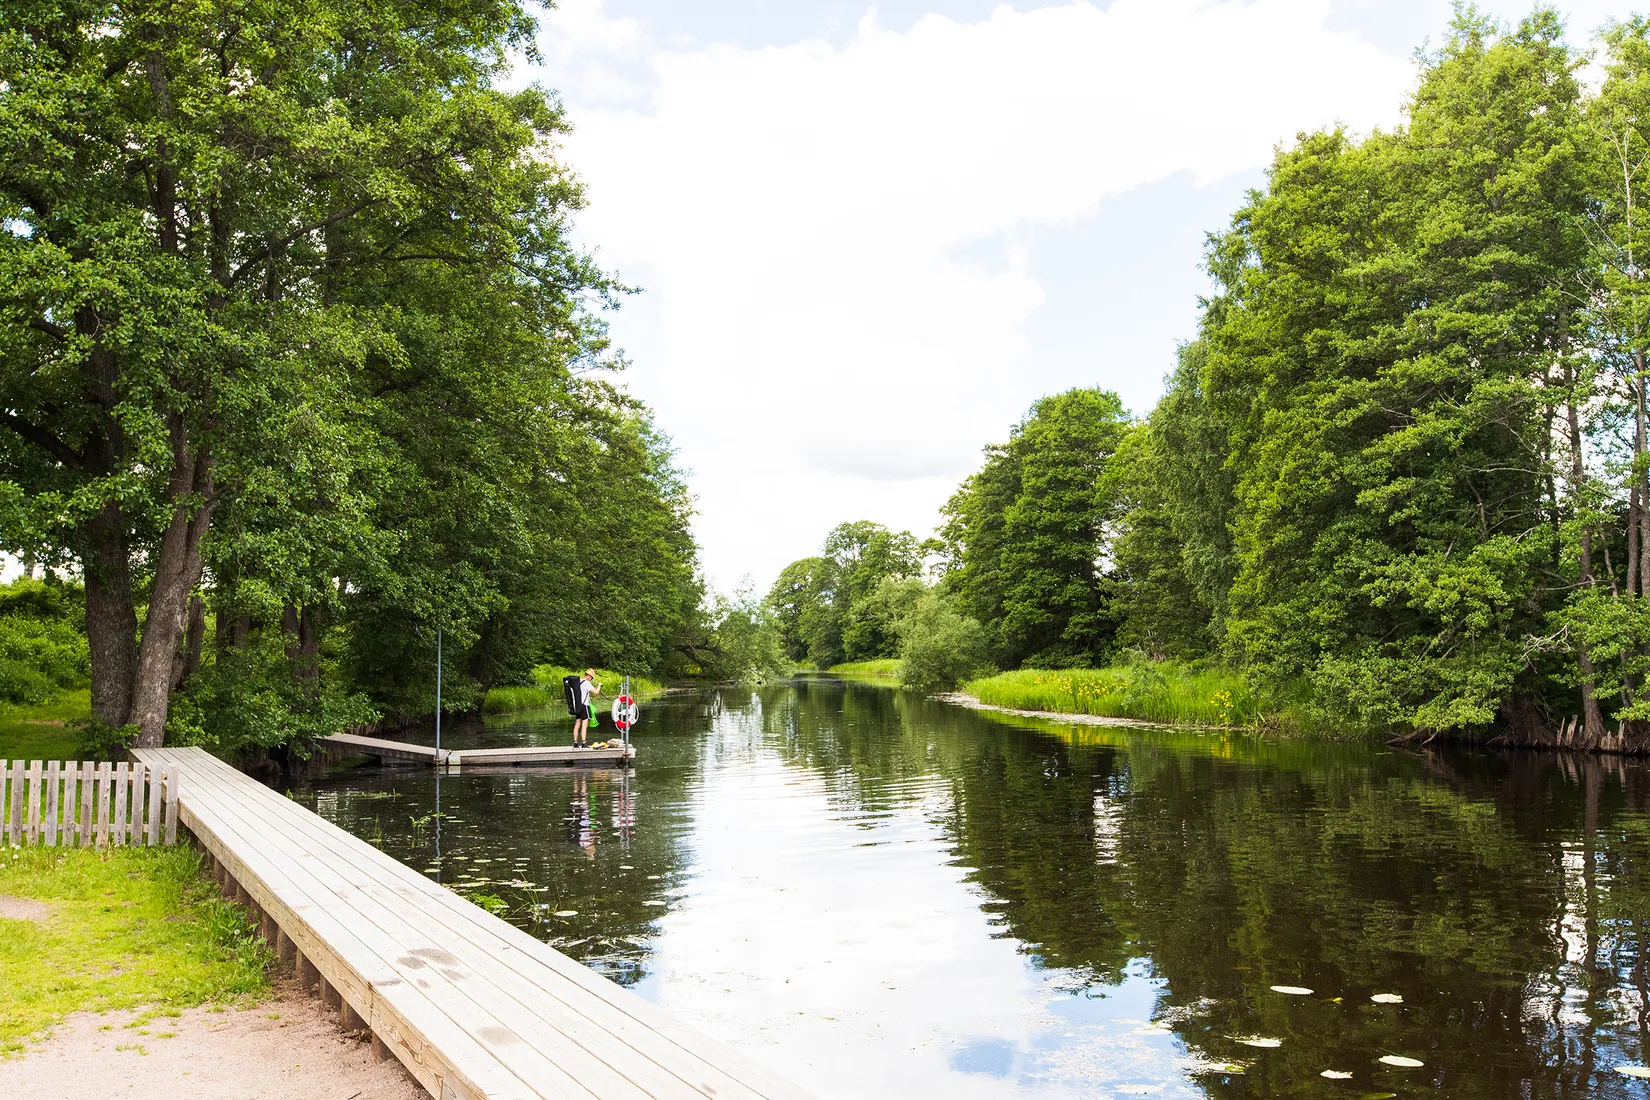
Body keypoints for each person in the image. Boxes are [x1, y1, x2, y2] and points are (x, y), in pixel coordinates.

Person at [572, 668, 602, 747]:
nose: (591, 679)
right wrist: (599, 685)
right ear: (588, 676)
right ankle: (583, 743)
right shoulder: (586, 683)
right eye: (591, 677)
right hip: (584, 706)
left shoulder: (577, 682)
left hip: (577, 706)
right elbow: (596, 692)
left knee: (577, 724)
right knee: (584, 724)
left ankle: (575, 743)